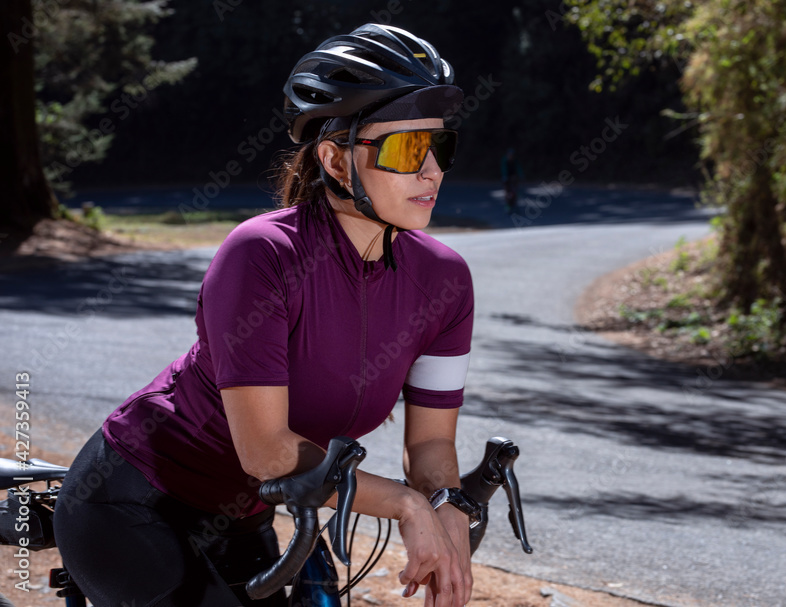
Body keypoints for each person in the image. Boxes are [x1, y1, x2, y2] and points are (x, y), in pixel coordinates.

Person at [53, 23, 478, 607]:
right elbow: (268, 450)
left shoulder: (445, 279)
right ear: (333, 159)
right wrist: (405, 504)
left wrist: (442, 504)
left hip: (246, 510)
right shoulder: (263, 254)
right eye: (408, 149)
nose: (432, 172)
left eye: (441, 147)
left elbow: (431, 444)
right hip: (133, 500)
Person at [500, 147, 524, 214]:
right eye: (510, 155)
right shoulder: (504, 160)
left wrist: (521, 175)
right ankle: (508, 205)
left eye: (512, 155)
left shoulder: (515, 160)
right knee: (507, 192)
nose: (511, 156)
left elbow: (518, 168)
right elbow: (503, 169)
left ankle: (515, 204)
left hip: (513, 177)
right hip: (506, 177)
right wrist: (504, 177)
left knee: (515, 190)